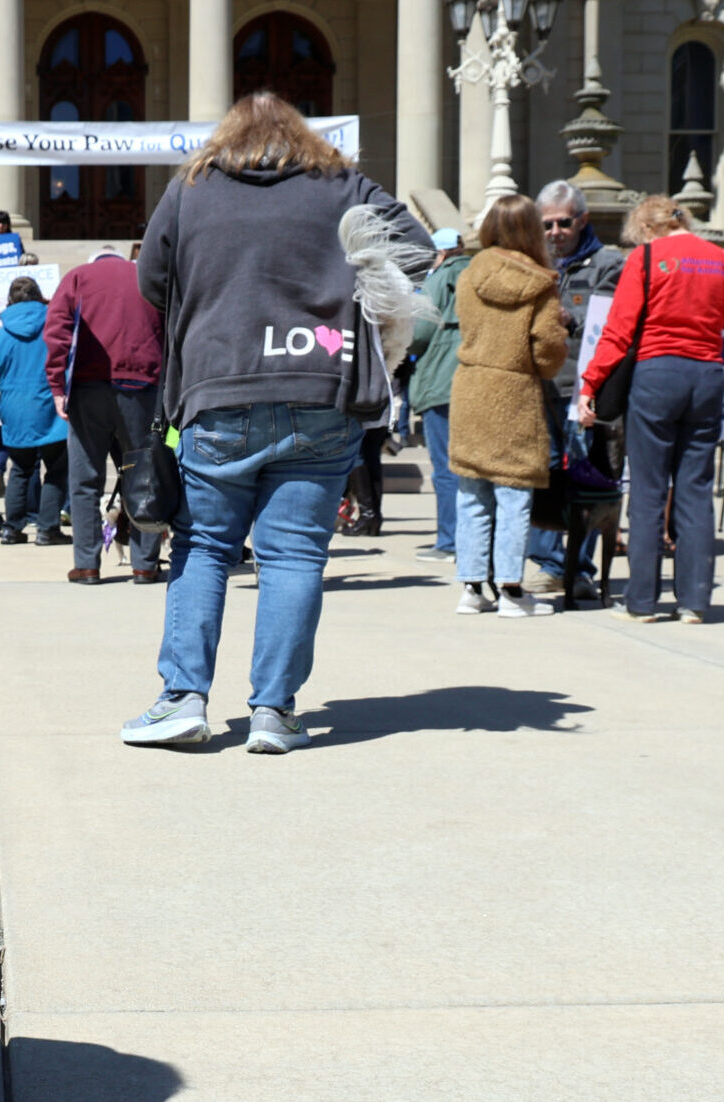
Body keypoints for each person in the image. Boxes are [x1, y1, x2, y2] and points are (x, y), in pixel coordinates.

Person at [123, 91, 432, 752]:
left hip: (219, 383)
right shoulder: (342, 185)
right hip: (321, 385)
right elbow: (418, 247)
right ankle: (274, 711)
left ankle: (183, 697)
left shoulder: (191, 188)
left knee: (204, 545)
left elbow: (151, 279)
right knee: (294, 555)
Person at [577, 195, 724, 622]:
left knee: (648, 489)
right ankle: (695, 601)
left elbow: (618, 332)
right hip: (707, 376)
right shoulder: (722, 259)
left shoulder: (645, 259)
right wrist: (710, 311)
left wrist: (590, 385)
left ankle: (642, 602)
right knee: (695, 487)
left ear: (646, 228)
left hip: (656, 374)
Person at [446, 194, 568, 618]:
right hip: (514, 392)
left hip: (471, 387)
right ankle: (512, 590)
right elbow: (548, 353)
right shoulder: (540, 283)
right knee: (514, 494)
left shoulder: (469, 274)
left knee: (472, 493)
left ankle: (472, 587)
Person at [46, 242, 166, 584]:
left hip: (88, 388)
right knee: (144, 475)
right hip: (142, 388)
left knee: (85, 480)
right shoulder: (145, 275)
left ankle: (87, 564)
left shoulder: (78, 277)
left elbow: (56, 334)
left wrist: (57, 388)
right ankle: (145, 563)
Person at [536, 179, 624, 599]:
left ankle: (579, 569)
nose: (555, 232)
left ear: (583, 220)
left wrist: (569, 318)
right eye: (547, 225)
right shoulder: (538, 263)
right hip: (544, 390)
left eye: (563, 223)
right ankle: (551, 562)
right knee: (547, 479)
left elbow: (612, 319)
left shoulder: (609, 262)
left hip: (586, 393)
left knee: (586, 484)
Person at [0, 275, 68, 546]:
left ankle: (12, 527)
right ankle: (47, 528)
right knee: (56, 469)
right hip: (50, 403)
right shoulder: (54, 323)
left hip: (15, 405)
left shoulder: (3, 332)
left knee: (20, 468)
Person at [405, 228, 469, 562]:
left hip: (441, 385)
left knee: (446, 468)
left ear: (439, 253)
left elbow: (417, 334)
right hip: (476, 382)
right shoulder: (479, 275)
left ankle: (450, 541)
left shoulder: (436, 281)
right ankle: (473, 540)